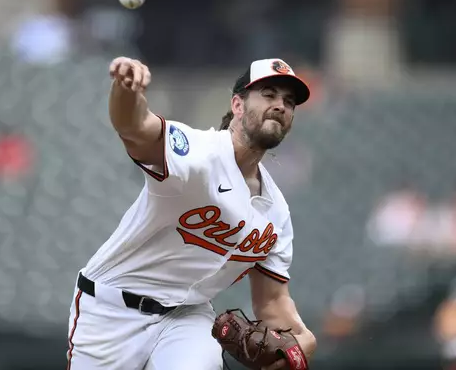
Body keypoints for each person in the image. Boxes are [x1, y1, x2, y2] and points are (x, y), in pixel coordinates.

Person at [66, 56, 316, 370]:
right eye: (268, 94)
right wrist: (126, 90)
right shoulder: (197, 153)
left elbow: (272, 301)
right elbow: (133, 127)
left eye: (289, 101)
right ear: (237, 105)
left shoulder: (277, 213)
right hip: (112, 307)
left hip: (187, 316)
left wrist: (302, 339)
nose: (280, 104)